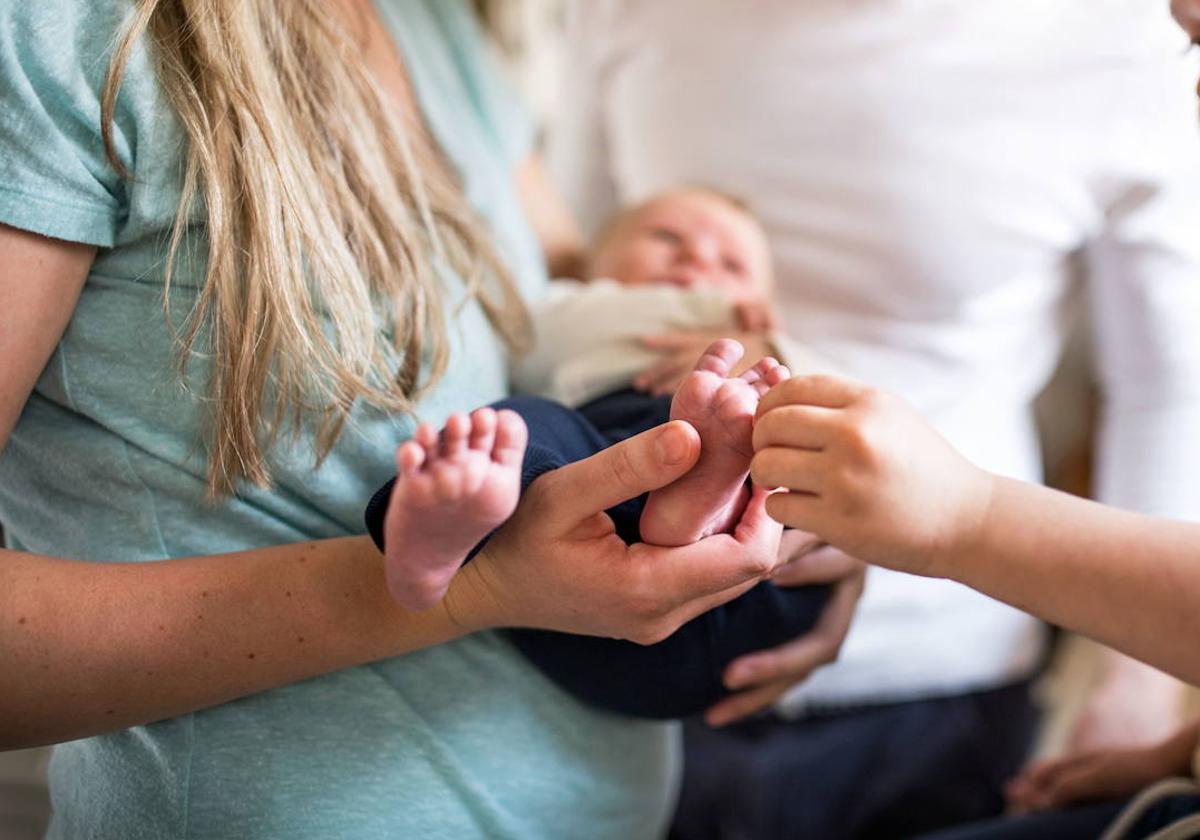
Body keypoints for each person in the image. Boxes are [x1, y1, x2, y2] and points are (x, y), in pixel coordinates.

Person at [0, 2, 788, 837]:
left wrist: (813, 530)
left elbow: (589, 290)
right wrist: (465, 592)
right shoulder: (61, 37)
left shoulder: (441, 30)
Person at [550, 0, 1200, 836]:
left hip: (937, 673)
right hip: (638, 646)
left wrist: (1137, 685)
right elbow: (570, 267)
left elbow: (1165, 387)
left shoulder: (1133, 35)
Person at [363, 188, 840, 719]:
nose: (697, 259)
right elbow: (541, 332)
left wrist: (773, 347)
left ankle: (705, 491)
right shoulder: (575, 310)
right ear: (592, 265)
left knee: (773, 446)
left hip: (749, 592)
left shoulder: (767, 345)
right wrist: (718, 314)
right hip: (581, 573)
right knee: (519, 430)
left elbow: (851, 410)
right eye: (667, 237)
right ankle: (441, 538)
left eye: (731, 263)